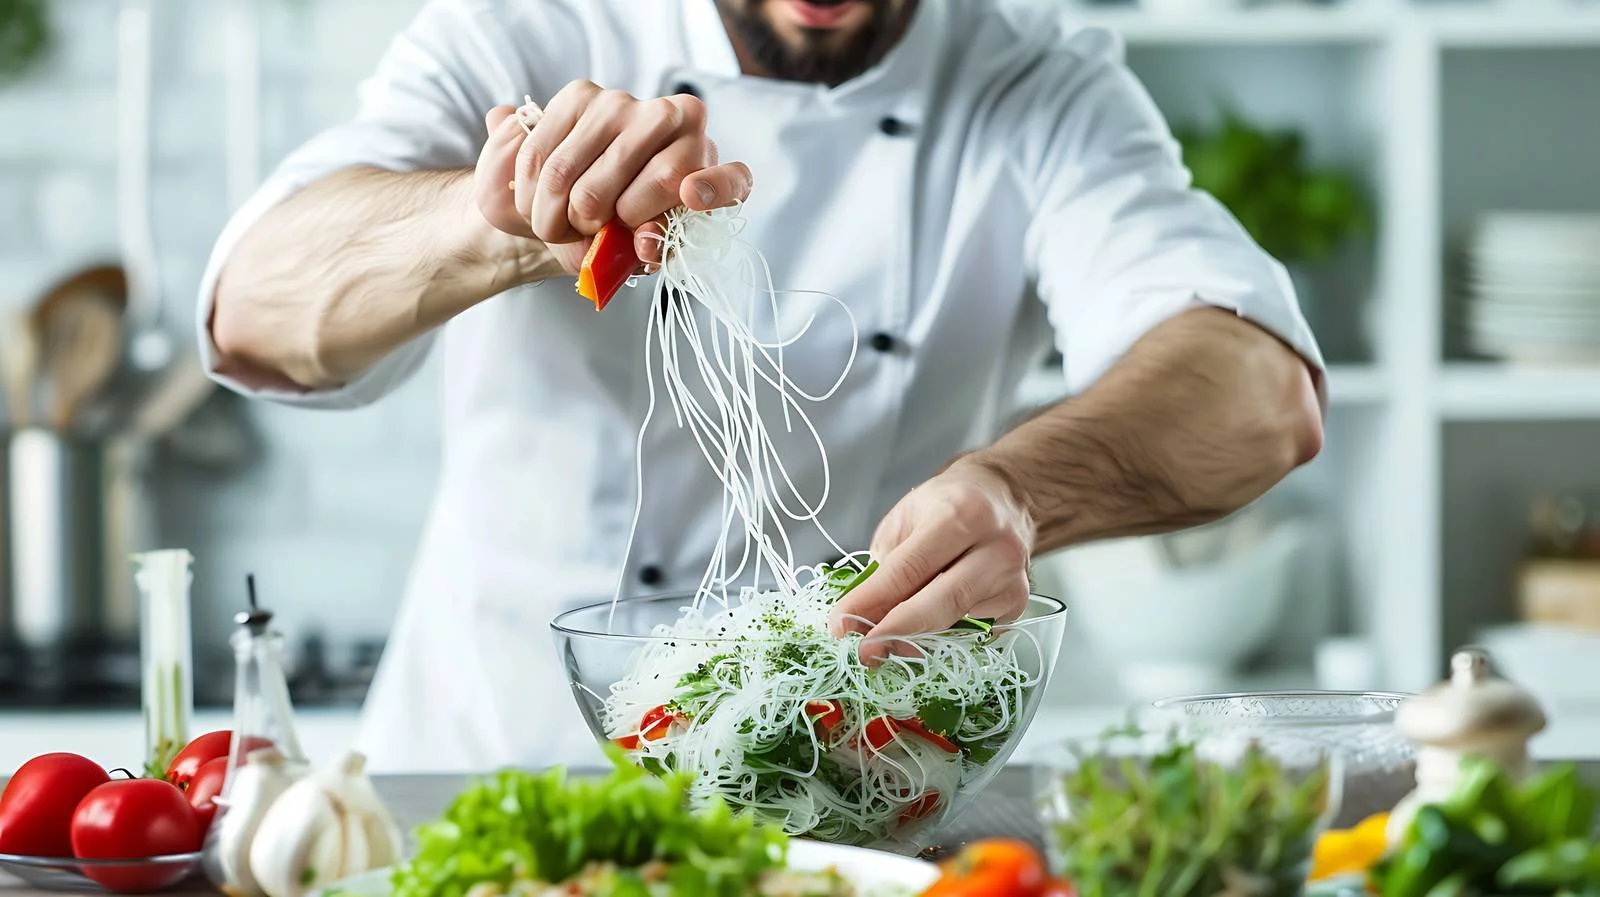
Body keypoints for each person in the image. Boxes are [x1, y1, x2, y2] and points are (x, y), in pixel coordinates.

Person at [199, 0, 1327, 772]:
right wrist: (495, 222)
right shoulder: (522, 27)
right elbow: (254, 313)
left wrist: (1018, 492)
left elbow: (1259, 394)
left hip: (840, 803)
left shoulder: (1034, 79)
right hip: (496, 771)